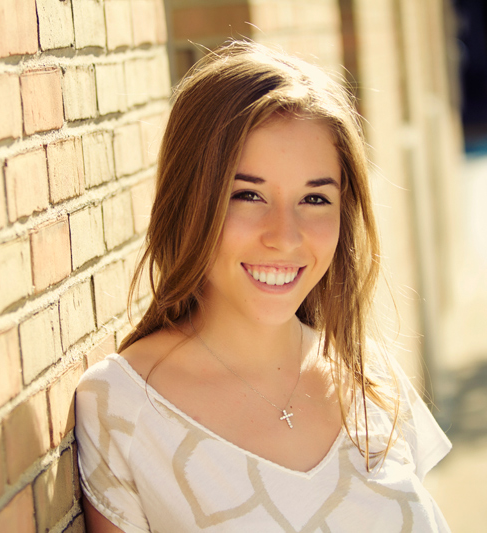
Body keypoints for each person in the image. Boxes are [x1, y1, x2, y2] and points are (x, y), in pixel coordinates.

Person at [75, 41, 451, 532]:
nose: (285, 236)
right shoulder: (123, 405)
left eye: (315, 198)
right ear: (190, 198)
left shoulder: (369, 378)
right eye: (248, 194)